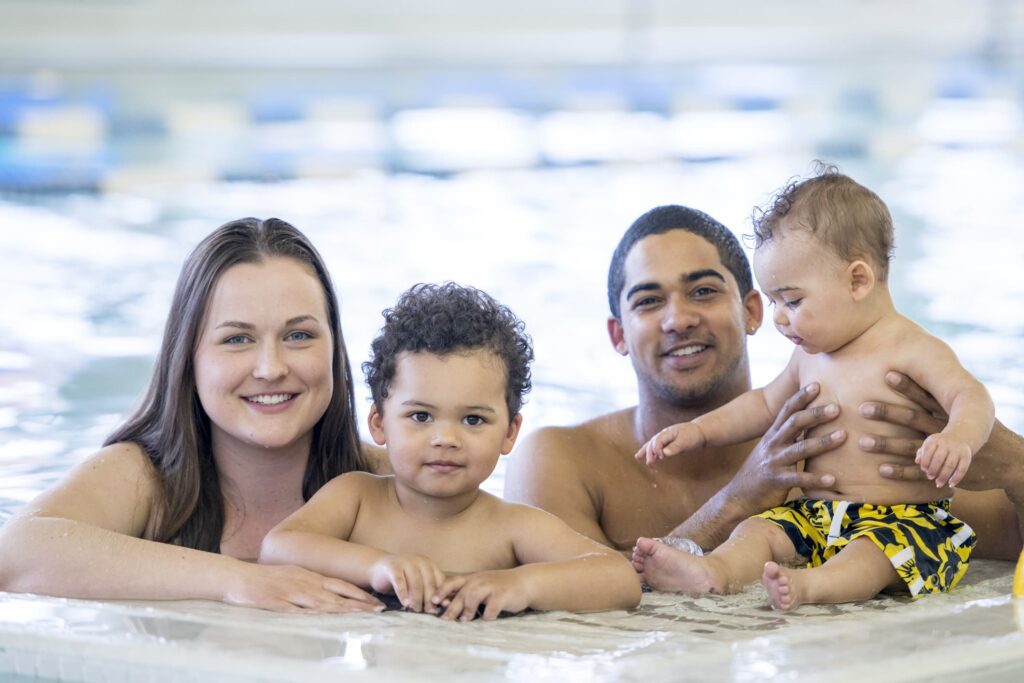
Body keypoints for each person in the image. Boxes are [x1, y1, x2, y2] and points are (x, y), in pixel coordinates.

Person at [503, 203, 1024, 571]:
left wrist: (1015, 464)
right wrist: (736, 501)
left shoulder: (833, 446)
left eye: (703, 291)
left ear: (755, 311)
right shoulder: (563, 460)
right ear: (618, 334)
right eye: (647, 301)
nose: (678, 319)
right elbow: (569, 607)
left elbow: (1008, 541)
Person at [630, 167, 991, 609]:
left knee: (872, 557)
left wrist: (957, 438)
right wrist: (697, 431)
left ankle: (812, 587)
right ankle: (715, 570)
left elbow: (971, 396)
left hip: (903, 521)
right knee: (759, 530)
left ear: (858, 280)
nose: (780, 318)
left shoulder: (913, 348)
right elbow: (762, 404)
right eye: (775, 301)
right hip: (819, 516)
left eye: (793, 300)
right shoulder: (809, 357)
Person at [0, 217, 387, 613]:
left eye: (298, 335)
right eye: (237, 339)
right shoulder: (149, 479)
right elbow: (15, 553)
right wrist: (239, 580)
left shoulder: (391, 478)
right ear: (189, 358)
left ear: (335, 348)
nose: (271, 368)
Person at [259, 283, 642, 621]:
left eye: (473, 420)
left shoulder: (511, 527)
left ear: (510, 433)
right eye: (421, 416)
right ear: (378, 423)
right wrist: (376, 565)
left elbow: (618, 578)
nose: (446, 438)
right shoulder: (356, 498)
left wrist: (521, 584)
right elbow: (277, 549)